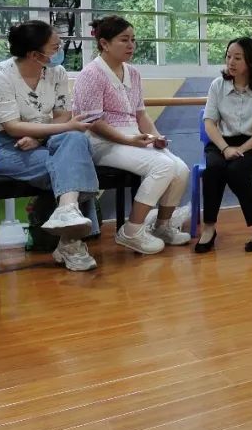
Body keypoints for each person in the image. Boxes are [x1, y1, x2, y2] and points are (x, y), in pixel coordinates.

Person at [0, 21, 100, 271]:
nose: (60, 50)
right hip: (5, 145)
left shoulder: (57, 73)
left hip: (44, 138)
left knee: (76, 139)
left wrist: (40, 138)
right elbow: (13, 127)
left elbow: (62, 116)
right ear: (35, 54)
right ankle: (71, 243)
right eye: (55, 47)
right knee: (75, 165)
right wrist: (58, 130)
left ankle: (67, 212)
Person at [73, 15, 190, 255]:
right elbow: (93, 123)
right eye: (124, 40)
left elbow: (141, 115)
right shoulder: (90, 74)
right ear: (104, 43)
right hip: (100, 142)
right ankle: (131, 231)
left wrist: (156, 137)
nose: (131, 45)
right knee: (163, 166)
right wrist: (129, 140)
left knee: (181, 169)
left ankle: (162, 226)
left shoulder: (133, 74)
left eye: (133, 40)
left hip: (133, 137)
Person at [196, 38, 252, 253]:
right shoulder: (217, 85)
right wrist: (225, 148)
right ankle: (209, 228)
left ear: (250, 61)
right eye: (228, 56)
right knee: (214, 169)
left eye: (237, 58)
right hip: (221, 143)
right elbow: (209, 123)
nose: (230, 62)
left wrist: (241, 149)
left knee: (236, 172)